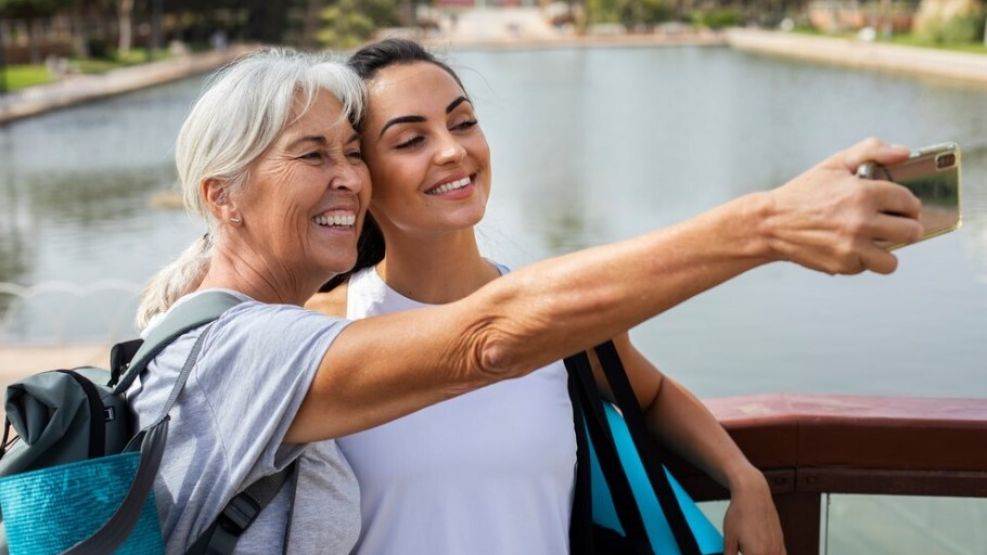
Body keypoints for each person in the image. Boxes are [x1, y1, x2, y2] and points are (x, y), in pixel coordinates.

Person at [133, 48, 920, 554]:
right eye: (404, 139)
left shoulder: (555, 325)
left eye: (463, 121)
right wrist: (767, 223)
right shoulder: (296, 340)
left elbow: (626, 382)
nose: (449, 150)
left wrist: (742, 475)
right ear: (222, 197)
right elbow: (493, 337)